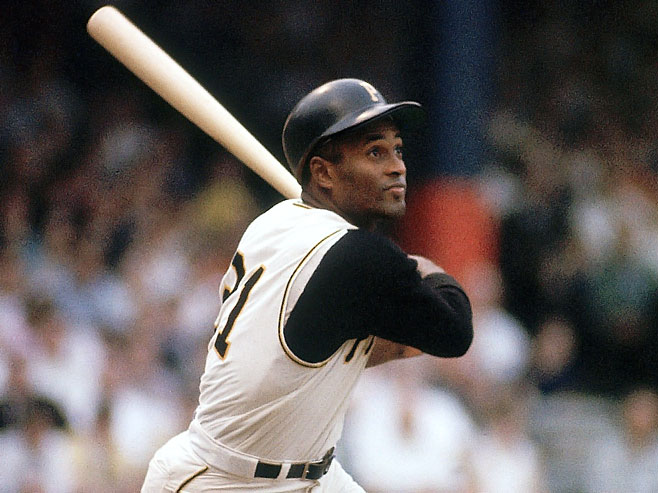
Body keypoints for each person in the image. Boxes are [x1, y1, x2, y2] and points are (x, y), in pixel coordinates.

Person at [141, 78, 473, 492]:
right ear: (322, 172)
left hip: (307, 472)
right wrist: (422, 267)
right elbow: (456, 331)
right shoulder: (359, 257)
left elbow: (326, 354)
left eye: (398, 150)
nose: (397, 167)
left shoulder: (273, 223)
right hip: (228, 481)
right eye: (375, 152)